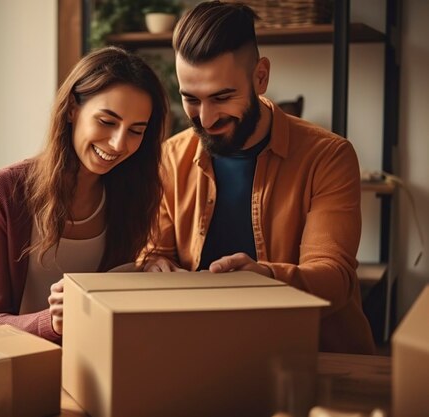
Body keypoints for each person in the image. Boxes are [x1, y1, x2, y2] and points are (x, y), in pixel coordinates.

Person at [142, 1, 375, 354]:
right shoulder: (169, 158)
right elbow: (156, 252)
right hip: (200, 353)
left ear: (261, 77)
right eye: (191, 99)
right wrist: (155, 265)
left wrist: (265, 278)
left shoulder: (328, 156)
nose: (205, 119)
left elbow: (334, 277)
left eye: (222, 97)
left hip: (311, 356)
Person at [0, 47, 169, 343]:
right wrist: (54, 322)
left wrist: (147, 269)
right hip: (10, 362)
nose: (118, 143)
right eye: (107, 121)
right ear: (73, 108)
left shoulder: (132, 194)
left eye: (136, 131)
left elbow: (107, 299)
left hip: (88, 358)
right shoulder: (3, 191)